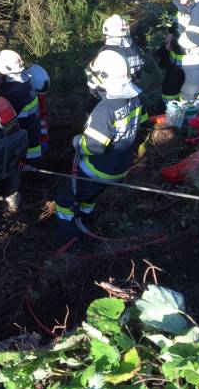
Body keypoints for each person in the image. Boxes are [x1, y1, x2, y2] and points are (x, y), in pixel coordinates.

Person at [54, 50, 147, 248]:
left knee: (64, 198)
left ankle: (69, 241)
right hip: (120, 166)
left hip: (98, 169)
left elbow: (94, 146)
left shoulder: (105, 110)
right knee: (89, 196)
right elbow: (142, 122)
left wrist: (78, 141)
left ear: (105, 77)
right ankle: (87, 222)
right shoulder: (134, 99)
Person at [0, 50, 42, 161]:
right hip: (30, 143)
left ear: (6, 72)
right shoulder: (23, 84)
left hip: (25, 152)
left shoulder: (14, 93)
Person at [87, 14, 144, 111]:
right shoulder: (135, 49)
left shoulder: (108, 53)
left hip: (110, 94)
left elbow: (94, 75)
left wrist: (92, 89)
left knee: (92, 108)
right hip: (132, 90)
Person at [25, 63, 51, 152]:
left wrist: (44, 139)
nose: (40, 96)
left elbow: (42, 115)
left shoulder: (40, 92)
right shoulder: (17, 92)